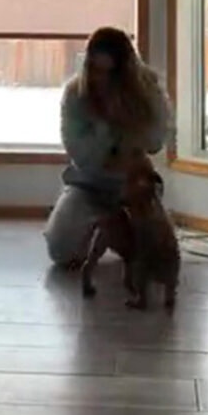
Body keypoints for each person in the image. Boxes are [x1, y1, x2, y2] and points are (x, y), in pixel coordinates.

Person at [44, 26, 171, 267]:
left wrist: (128, 116)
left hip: (135, 183)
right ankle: (99, 227)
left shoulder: (148, 89)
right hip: (87, 184)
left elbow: (156, 141)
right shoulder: (74, 95)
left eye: (109, 73)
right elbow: (79, 154)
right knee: (61, 250)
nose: (101, 80)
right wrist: (104, 126)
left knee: (156, 256)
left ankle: (124, 231)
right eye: (95, 71)